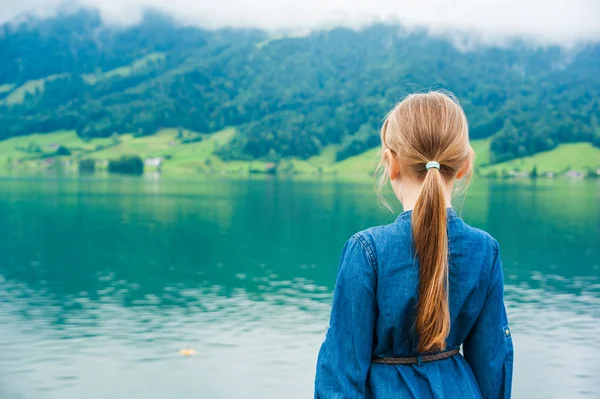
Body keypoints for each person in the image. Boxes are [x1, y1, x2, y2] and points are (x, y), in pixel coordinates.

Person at [314, 91, 514, 398]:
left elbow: (340, 375)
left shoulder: (367, 251)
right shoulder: (484, 251)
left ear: (391, 163)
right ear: (464, 165)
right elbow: (492, 365)